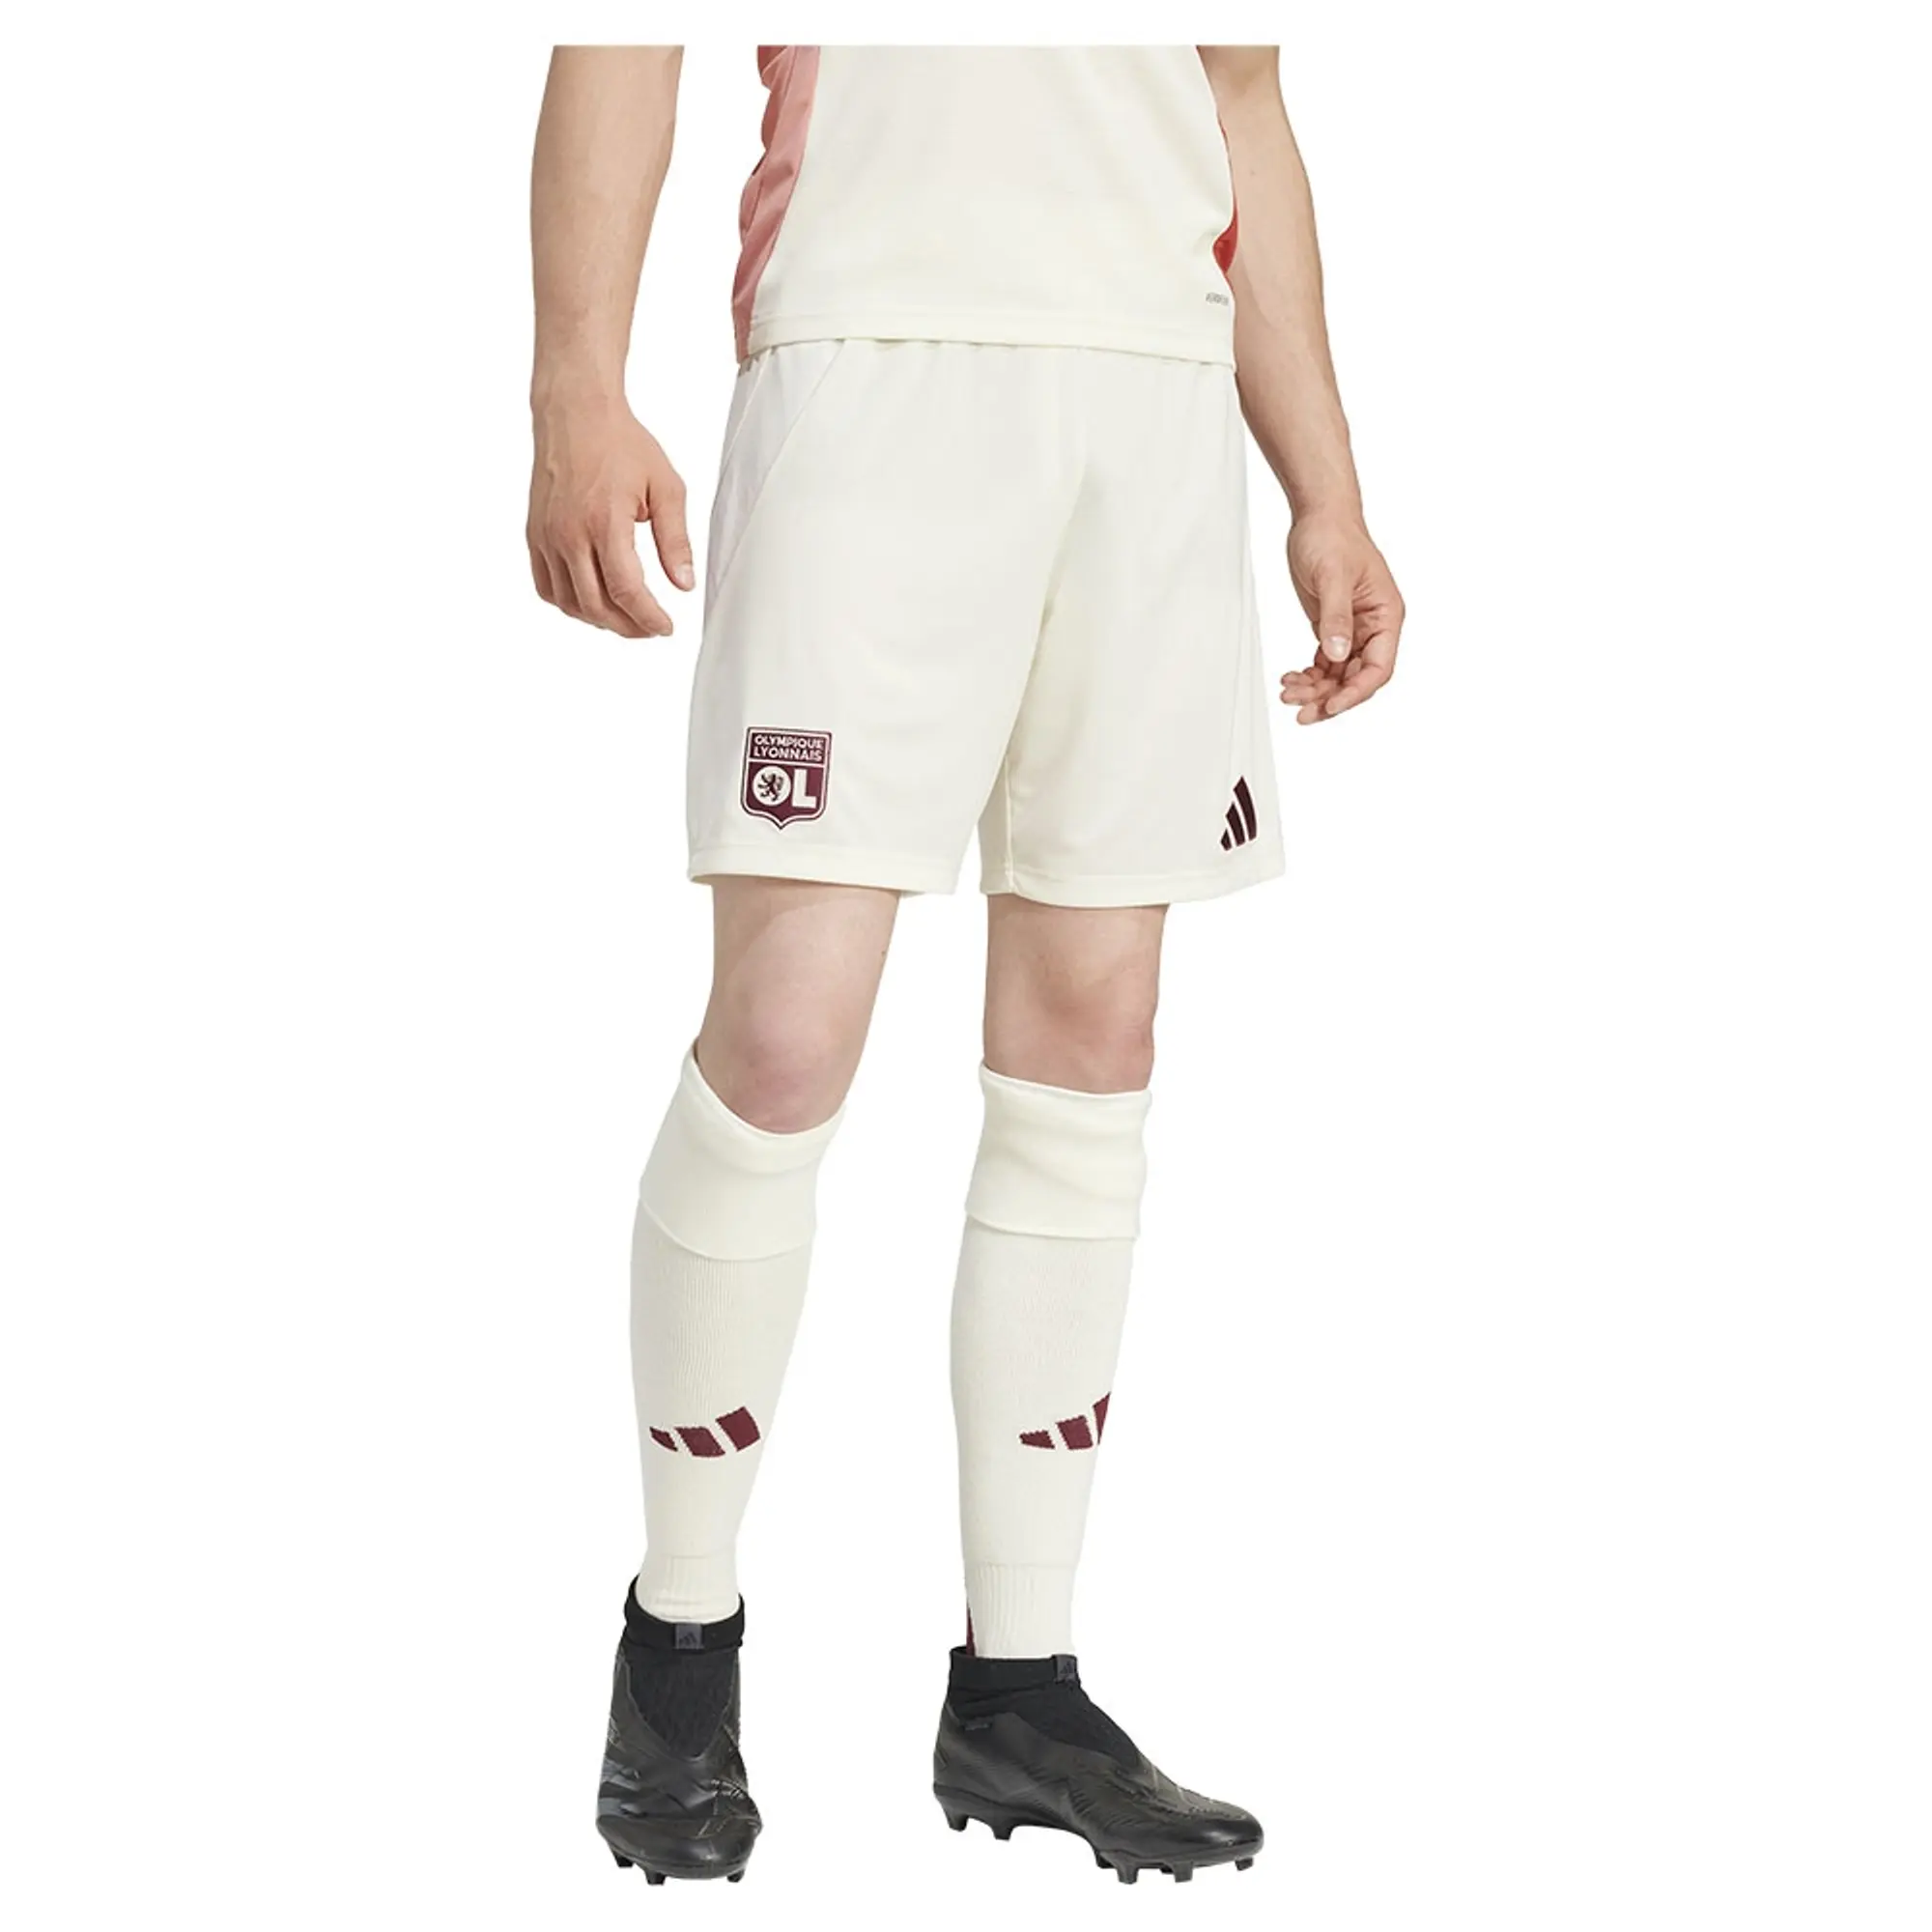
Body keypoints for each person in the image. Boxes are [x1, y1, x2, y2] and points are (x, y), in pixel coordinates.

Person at [526, 43, 1404, 1888]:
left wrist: (1325, 485)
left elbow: (1243, 96)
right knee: (784, 1037)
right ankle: (678, 1650)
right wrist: (576, 387)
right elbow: (620, 35)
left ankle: (1021, 1689)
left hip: (1152, 394)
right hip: (872, 361)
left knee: (1094, 1039)